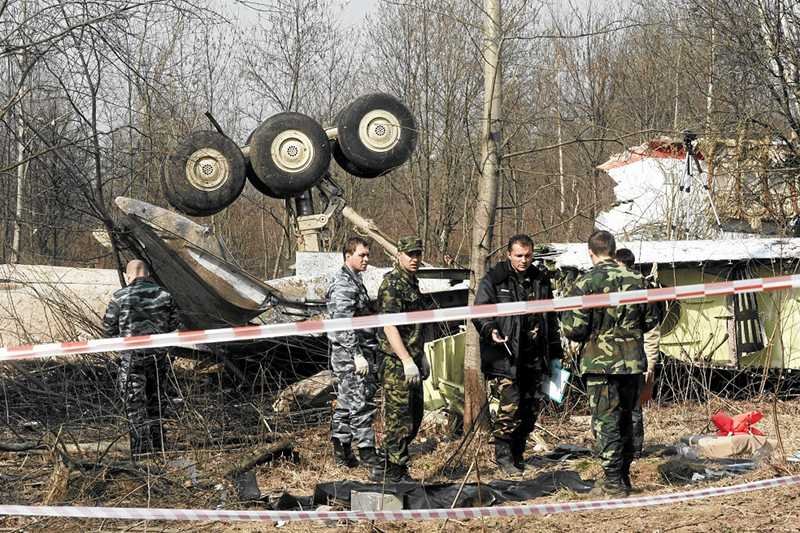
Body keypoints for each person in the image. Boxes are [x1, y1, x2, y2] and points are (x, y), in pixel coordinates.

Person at [560, 231, 658, 496]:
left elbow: (575, 329)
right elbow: (651, 321)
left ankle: (613, 481)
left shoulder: (586, 282)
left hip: (600, 364)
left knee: (606, 422)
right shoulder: (638, 280)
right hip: (632, 361)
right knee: (627, 418)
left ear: (590, 253)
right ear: (614, 251)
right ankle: (623, 477)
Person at [472, 234, 563, 475]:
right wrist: (490, 329)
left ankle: (518, 453)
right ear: (509, 254)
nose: (524, 260)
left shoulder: (540, 279)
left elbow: (550, 316)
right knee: (509, 409)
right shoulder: (495, 278)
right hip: (506, 355)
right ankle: (503, 458)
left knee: (530, 409)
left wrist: (556, 352)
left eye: (528, 256)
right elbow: (480, 311)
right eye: (519, 256)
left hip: (535, 355)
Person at [102, 260, 181, 458]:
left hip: (132, 362)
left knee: (134, 408)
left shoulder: (120, 297)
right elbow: (175, 327)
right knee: (157, 405)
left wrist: (122, 346)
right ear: (147, 274)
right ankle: (159, 449)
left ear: (129, 276)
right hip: (159, 360)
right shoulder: (165, 296)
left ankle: (140, 455)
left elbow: (108, 330)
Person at [370, 236, 431, 482]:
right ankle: (394, 471)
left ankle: (387, 463)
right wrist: (406, 360)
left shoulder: (412, 283)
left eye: (417, 254)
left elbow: (417, 325)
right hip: (396, 361)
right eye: (409, 254)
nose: (414, 259)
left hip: (413, 357)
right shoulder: (392, 284)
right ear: (399, 255)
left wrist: (421, 355)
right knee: (399, 417)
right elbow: (389, 327)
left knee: (415, 416)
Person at [326, 237, 381, 469]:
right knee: (360, 402)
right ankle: (368, 455)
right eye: (362, 255)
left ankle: (343, 452)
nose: (366, 259)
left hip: (354, 352)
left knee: (347, 402)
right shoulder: (344, 284)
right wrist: (356, 354)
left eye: (368, 255)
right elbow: (342, 323)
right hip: (350, 354)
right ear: (348, 256)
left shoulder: (354, 280)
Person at [614, 248, 662, 457]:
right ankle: (616, 449)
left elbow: (652, 332)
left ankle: (634, 450)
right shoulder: (605, 289)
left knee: (633, 408)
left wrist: (650, 365)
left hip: (634, 361)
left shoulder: (643, 291)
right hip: (610, 361)